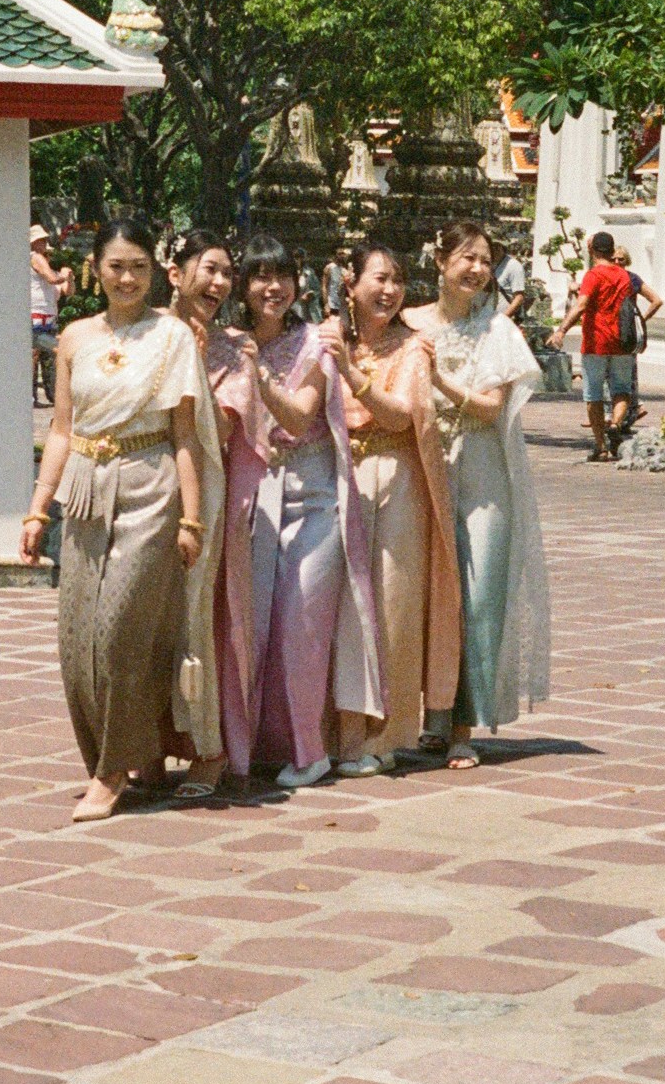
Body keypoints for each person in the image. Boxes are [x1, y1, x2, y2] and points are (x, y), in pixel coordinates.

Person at [21, 217, 222, 822]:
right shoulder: (74, 337)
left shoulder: (172, 336)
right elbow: (62, 430)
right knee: (78, 638)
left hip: (151, 487)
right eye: (115, 267)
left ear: (154, 271)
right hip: (85, 488)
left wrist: (191, 520)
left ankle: (112, 773)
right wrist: (38, 509)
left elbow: (185, 434)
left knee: (120, 633)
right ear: (95, 270)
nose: (127, 279)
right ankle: (117, 758)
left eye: (138, 267)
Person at [213, 235, 380, 791]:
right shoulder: (226, 344)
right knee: (247, 623)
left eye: (282, 276)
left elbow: (300, 416)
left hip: (315, 496)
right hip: (253, 493)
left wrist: (259, 377)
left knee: (301, 624)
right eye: (260, 276)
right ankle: (252, 745)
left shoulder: (316, 342)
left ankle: (311, 751)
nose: (273, 287)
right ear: (243, 285)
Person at [410, 221, 555, 766]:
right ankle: (430, 714)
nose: (476, 269)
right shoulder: (411, 324)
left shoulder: (498, 331)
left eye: (484, 260)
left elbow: (492, 407)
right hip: (423, 468)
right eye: (466, 257)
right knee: (424, 592)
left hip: (482, 475)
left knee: (478, 595)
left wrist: (440, 381)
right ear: (440, 260)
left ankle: (462, 726)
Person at [321, 241, 457, 774]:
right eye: (378, 278)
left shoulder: (413, 347)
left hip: (395, 477)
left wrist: (352, 376)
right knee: (334, 606)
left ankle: (385, 735)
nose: (389, 289)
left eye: (397, 279)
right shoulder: (329, 338)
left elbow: (402, 416)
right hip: (336, 475)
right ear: (350, 285)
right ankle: (332, 732)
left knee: (391, 604)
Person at [161, 232, 241, 797]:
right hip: (143, 483)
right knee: (143, 619)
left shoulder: (232, 348)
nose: (218, 282)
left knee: (192, 619)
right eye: (209, 269)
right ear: (175, 274)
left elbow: (226, 429)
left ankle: (206, 747)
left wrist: (199, 360)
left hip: (202, 490)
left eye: (226, 273)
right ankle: (146, 743)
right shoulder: (146, 333)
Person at [555, 232, 659, 461]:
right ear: (612, 251)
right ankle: (615, 424)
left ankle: (601, 446)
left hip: (596, 342)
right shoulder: (624, 276)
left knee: (593, 395)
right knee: (622, 390)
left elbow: (581, 305)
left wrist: (561, 329)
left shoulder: (593, 275)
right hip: (622, 342)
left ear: (592, 250)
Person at [30, 225, 72, 407]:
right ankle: (30, 396)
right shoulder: (35, 257)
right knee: (34, 356)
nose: (44, 245)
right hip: (36, 315)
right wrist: (63, 275)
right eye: (41, 241)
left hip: (48, 318)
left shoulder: (49, 269)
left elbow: (67, 291)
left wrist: (69, 278)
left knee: (50, 356)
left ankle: (52, 394)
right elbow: (54, 279)